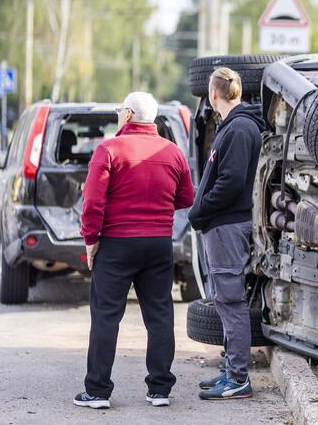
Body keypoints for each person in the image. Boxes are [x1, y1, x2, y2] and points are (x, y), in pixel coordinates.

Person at [75, 92, 194, 409]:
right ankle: (160, 390)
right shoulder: (173, 152)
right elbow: (186, 198)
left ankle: (98, 392)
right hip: (158, 244)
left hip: (117, 244)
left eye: (119, 111)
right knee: (159, 316)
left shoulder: (109, 150)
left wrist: (91, 239)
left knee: (105, 317)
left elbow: (93, 203)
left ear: (127, 115)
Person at [188, 67, 264, 400]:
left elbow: (231, 182)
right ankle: (231, 370)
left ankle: (238, 379)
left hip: (226, 225)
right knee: (225, 299)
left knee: (231, 301)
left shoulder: (240, 129)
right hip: (223, 224)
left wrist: (200, 210)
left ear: (213, 94)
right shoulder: (235, 127)